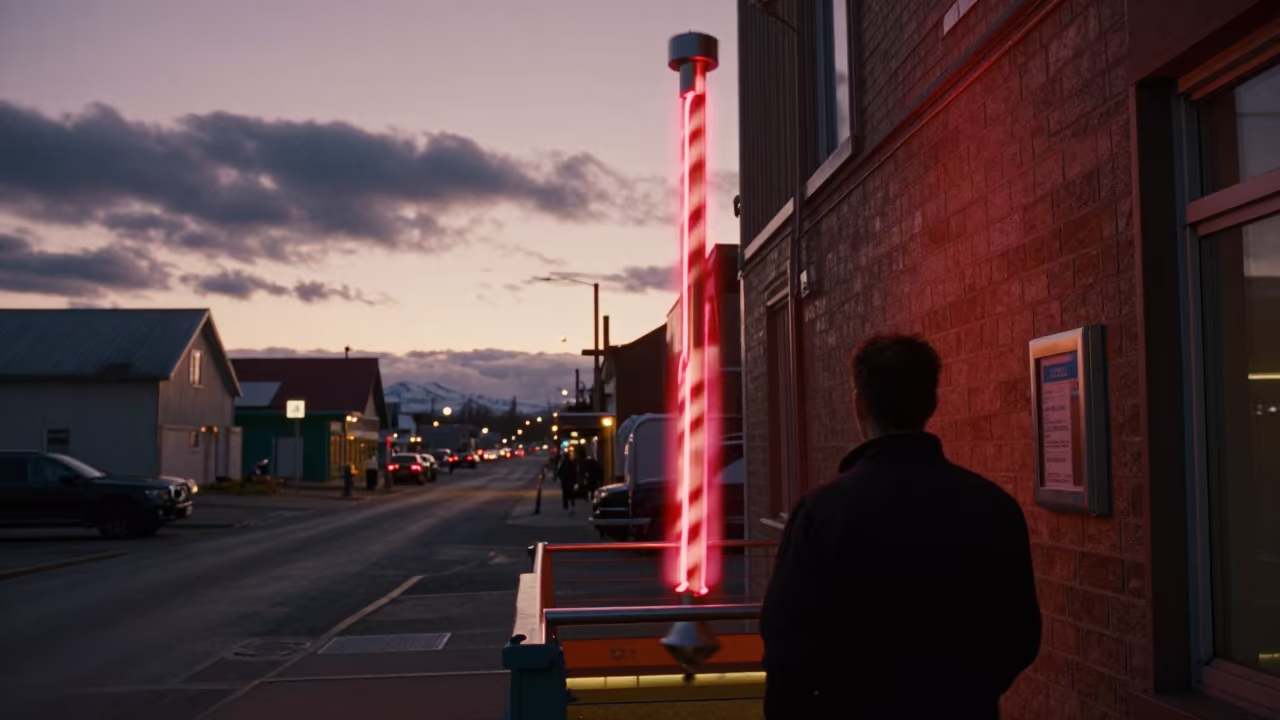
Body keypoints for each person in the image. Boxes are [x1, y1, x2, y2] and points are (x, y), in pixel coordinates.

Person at [759, 334, 1041, 719]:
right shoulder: (993, 506)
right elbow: (1020, 636)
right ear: (932, 403)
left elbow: (787, 649)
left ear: (859, 403)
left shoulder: (821, 514)